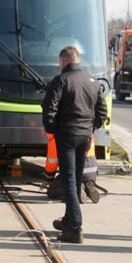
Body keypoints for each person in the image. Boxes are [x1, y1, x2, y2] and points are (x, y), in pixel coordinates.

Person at [41, 46, 107, 243]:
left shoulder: (61, 80)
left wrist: (53, 129)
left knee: (69, 180)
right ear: (77, 60)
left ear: (62, 62)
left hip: (67, 135)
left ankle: (74, 227)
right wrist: (91, 127)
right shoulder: (92, 81)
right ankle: (69, 219)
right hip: (85, 136)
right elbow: (101, 110)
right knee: (76, 179)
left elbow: (49, 108)